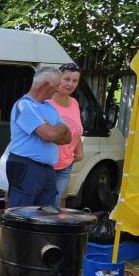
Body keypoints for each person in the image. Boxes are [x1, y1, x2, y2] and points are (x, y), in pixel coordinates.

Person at [6, 67, 71, 207]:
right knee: (22, 212)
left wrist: (55, 129)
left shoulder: (50, 107)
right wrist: (58, 129)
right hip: (27, 166)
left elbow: (68, 137)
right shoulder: (24, 105)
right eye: (57, 85)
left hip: (47, 169)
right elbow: (49, 135)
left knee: (46, 214)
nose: (58, 89)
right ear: (46, 85)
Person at [49, 63, 85, 204]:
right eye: (67, 79)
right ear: (58, 78)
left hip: (66, 164)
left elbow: (75, 130)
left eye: (75, 81)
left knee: (55, 203)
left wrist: (79, 151)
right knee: (43, 205)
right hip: (47, 164)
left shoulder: (74, 103)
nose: (70, 84)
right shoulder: (47, 102)